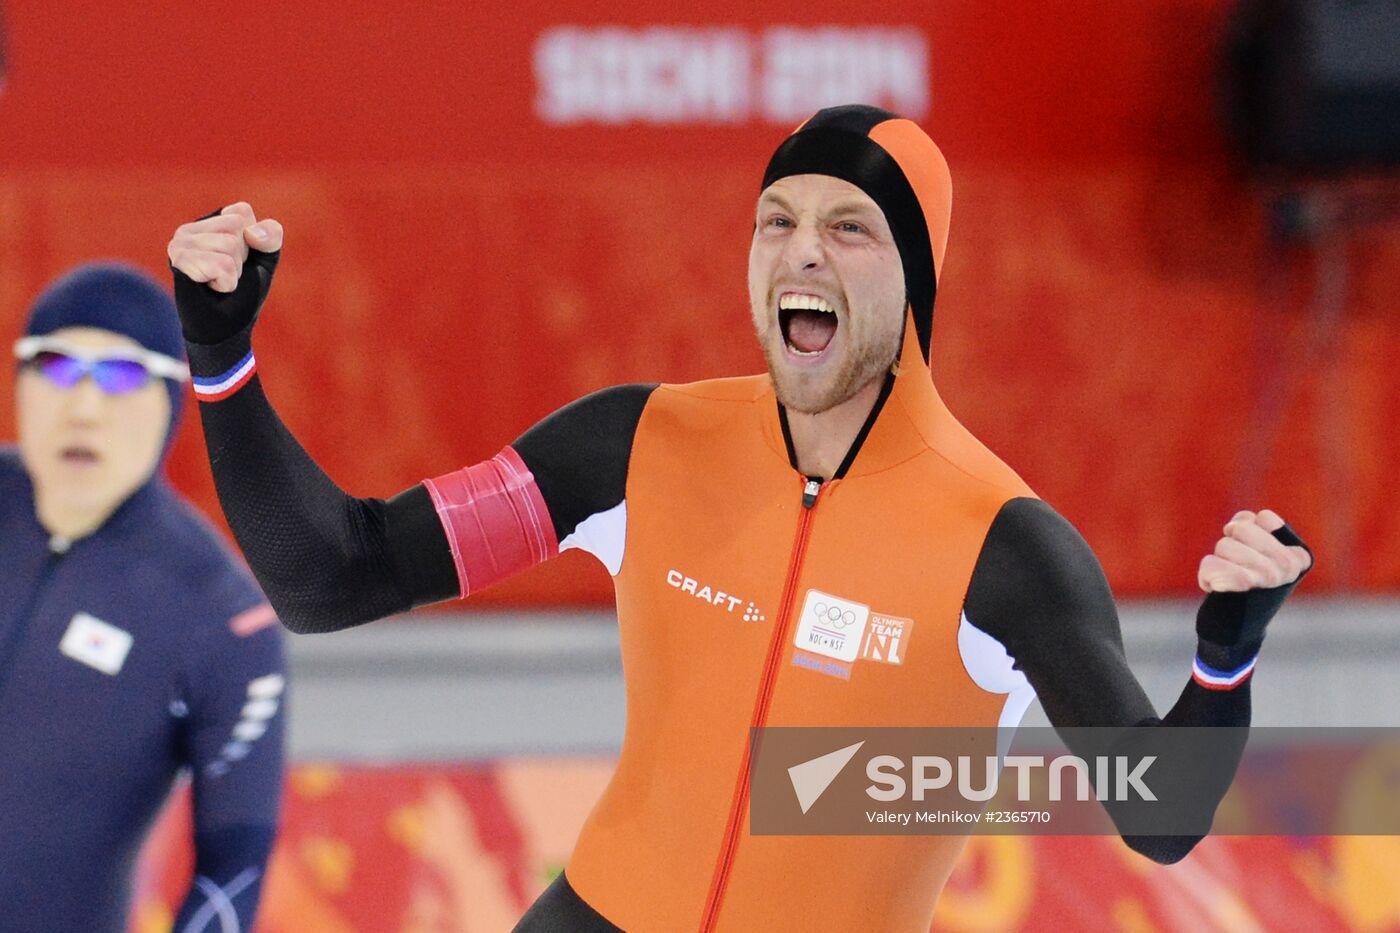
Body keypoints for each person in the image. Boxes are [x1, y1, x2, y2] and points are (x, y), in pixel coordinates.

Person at [166, 105, 1312, 932]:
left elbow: (1156, 813)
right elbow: (333, 577)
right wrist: (221, 356)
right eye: (776, 219)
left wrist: (1223, 659)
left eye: (849, 226)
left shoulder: (1004, 548)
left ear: (913, 279)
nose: (802, 248)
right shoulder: (632, 445)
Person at [0, 263, 286, 933]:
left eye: (123, 375)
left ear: (171, 402)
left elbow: (233, 867)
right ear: (19, 385)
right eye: (59, 367)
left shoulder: (219, 616)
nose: (85, 406)